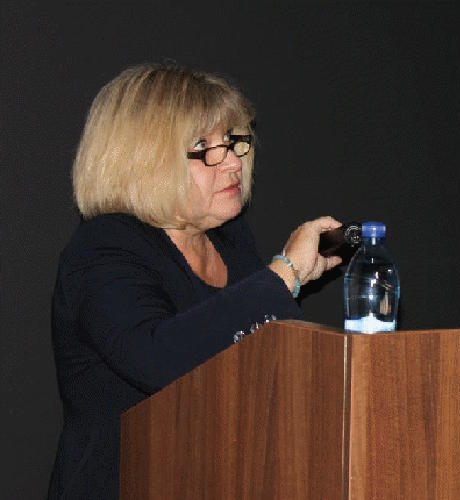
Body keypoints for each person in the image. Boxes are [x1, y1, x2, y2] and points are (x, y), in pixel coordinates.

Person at [47, 62, 342, 499]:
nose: (232, 162)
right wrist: (283, 275)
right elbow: (160, 360)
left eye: (232, 141)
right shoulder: (102, 249)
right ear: (144, 159)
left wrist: (289, 285)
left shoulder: (231, 242)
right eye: (203, 146)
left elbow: (258, 370)